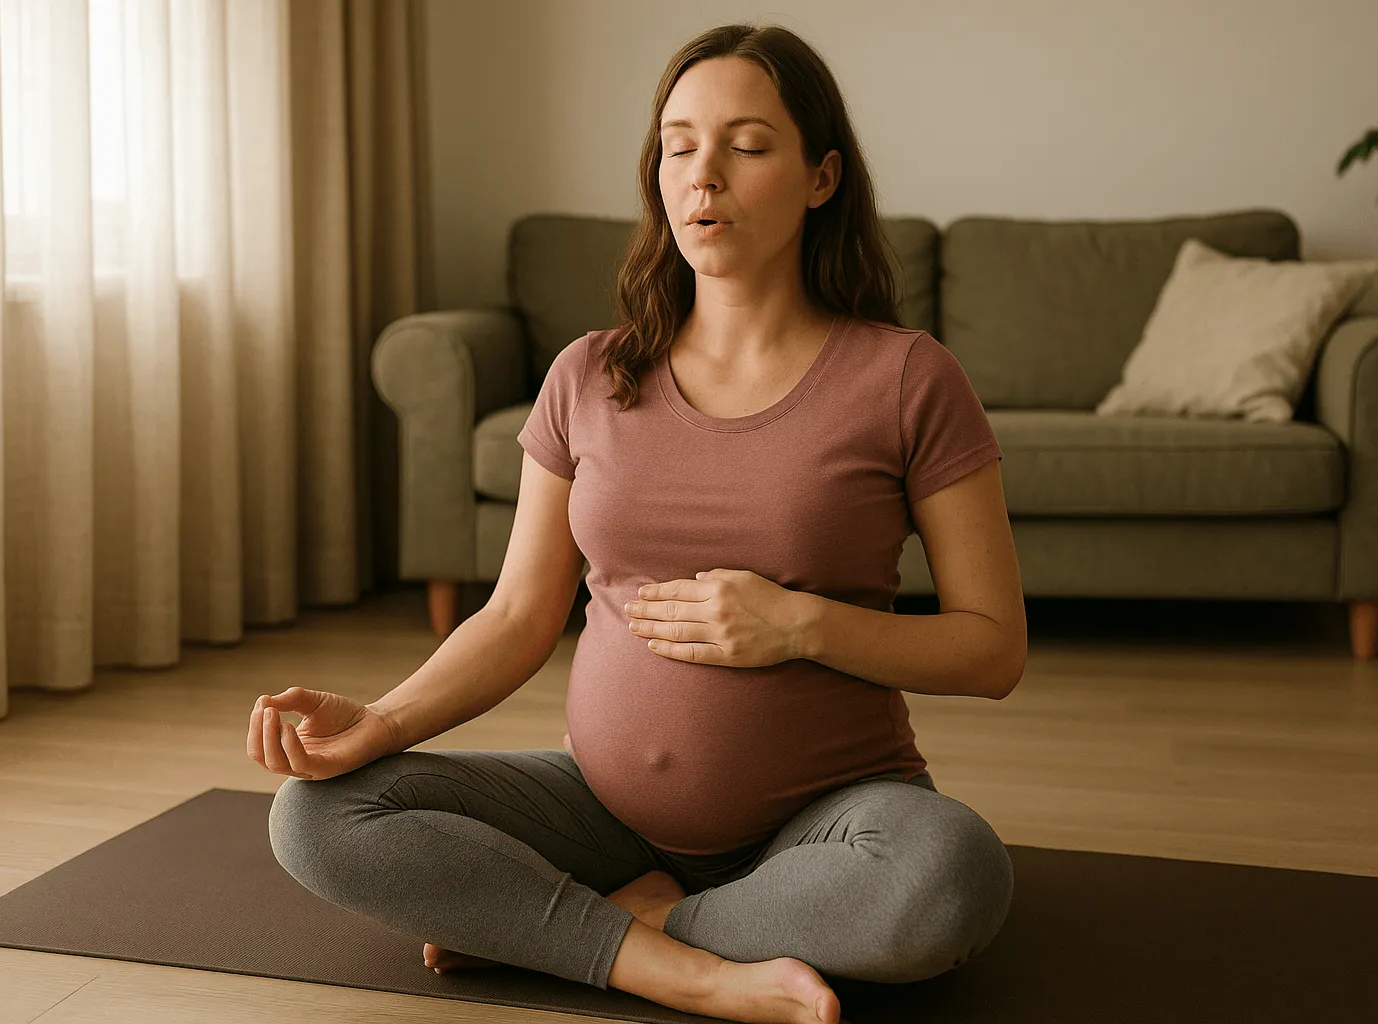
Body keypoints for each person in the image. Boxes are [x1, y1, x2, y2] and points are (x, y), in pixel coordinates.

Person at [252, 21, 1024, 1024]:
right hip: (601, 809)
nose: (704, 175)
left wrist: (801, 623)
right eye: (678, 145)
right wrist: (384, 721)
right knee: (317, 814)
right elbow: (520, 613)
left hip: (830, 818)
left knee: (952, 875)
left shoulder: (908, 379)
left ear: (821, 176)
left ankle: (601, 929)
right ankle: (672, 958)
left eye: (747, 147)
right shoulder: (589, 375)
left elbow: (992, 648)